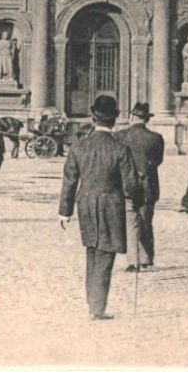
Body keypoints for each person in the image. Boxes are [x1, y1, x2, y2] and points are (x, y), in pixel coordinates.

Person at [57, 94, 143, 320]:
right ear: (113, 120)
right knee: (105, 254)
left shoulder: (79, 146)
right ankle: (97, 307)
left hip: (85, 202)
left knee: (92, 251)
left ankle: (92, 301)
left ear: (93, 118)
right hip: (110, 204)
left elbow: (69, 180)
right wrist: (138, 202)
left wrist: (64, 212)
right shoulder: (120, 148)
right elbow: (131, 184)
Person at [119, 102, 165, 272]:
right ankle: (146, 257)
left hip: (127, 185)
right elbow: (158, 161)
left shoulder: (120, 136)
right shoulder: (156, 138)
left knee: (131, 221)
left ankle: (133, 261)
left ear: (131, 117)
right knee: (146, 220)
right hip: (149, 185)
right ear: (146, 119)